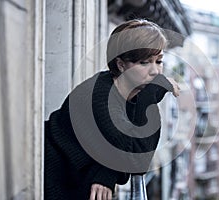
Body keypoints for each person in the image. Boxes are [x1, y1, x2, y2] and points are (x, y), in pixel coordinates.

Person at [44, 19, 180, 200]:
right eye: (144, 62)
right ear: (121, 64)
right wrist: (108, 172)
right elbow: (127, 151)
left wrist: (106, 174)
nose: (155, 71)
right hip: (53, 175)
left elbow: (140, 161)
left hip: (80, 184)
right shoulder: (97, 95)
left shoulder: (142, 97)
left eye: (159, 61)